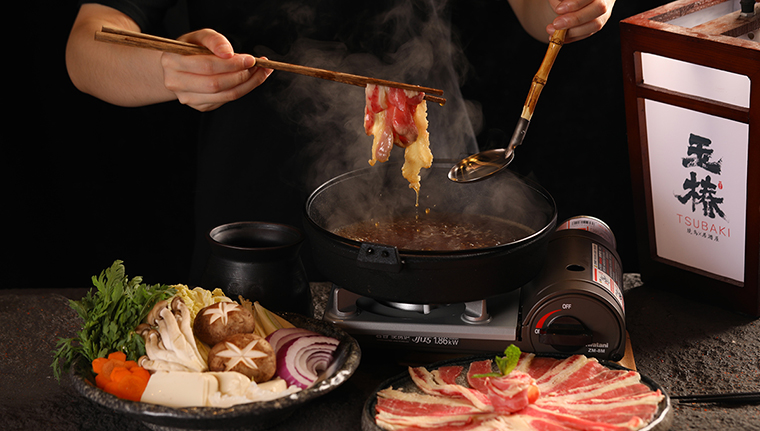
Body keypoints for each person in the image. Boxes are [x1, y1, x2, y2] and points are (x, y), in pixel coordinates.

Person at [66, 0, 617, 284]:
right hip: (256, 227)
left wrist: (568, 9)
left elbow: (540, 12)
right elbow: (88, 42)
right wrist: (168, 68)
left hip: (440, 211)